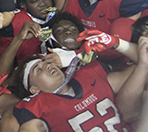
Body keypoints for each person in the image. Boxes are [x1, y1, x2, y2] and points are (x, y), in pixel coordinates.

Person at [10, 33, 138, 131]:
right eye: (38, 70)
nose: (47, 66)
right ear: (34, 89)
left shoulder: (89, 75)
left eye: (46, 62)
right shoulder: (37, 107)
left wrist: (117, 43)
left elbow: (146, 67)